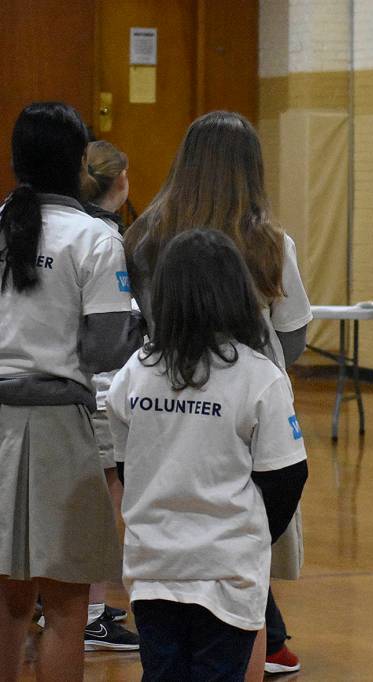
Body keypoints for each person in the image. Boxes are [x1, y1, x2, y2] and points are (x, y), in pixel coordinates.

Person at [124, 110, 312, 676]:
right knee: (241, 558)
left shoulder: (142, 236)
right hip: (247, 413)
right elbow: (294, 336)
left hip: (163, 404)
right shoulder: (270, 241)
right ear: (251, 170)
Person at [0, 102, 143, 681]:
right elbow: (109, 349)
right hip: (59, 426)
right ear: (80, 161)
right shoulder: (95, 237)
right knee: (65, 599)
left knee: (7, 597)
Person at [78, 138, 141, 652]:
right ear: (119, 181)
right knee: (103, 504)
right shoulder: (101, 237)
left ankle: (59, 600)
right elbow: (114, 330)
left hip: (68, 386)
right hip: (98, 389)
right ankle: (92, 612)